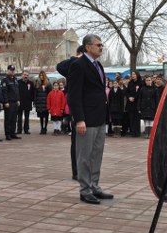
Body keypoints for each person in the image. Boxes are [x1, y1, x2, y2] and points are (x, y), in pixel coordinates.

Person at [67, 34, 114, 204]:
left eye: (102, 45)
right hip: (86, 119)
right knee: (84, 156)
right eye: (98, 45)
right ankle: (85, 190)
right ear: (87, 47)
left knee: (96, 155)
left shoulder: (98, 64)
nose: (101, 47)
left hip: (100, 117)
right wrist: (79, 119)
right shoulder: (78, 65)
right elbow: (74, 95)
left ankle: (94, 186)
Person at [56, 45, 84, 180]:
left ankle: (86, 170)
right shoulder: (73, 66)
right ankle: (76, 171)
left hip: (90, 108)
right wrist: (75, 58)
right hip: (77, 109)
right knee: (77, 141)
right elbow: (59, 66)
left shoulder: (92, 67)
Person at [2, 65, 21, 140]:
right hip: (9, 102)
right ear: (8, 70)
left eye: (13, 70)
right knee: (8, 119)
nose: (12, 71)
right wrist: (6, 101)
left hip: (15, 102)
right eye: (11, 70)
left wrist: (18, 100)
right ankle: (8, 134)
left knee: (14, 119)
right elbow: (4, 92)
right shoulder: (5, 80)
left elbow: (17, 91)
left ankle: (13, 133)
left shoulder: (15, 80)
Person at [17, 70, 34, 135]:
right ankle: (19, 129)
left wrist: (32, 100)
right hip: (20, 102)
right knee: (19, 117)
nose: (26, 76)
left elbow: (32, 92)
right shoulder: (18, 82)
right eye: (24, 75)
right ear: (22, 75)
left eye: (27, 75)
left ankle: (26, 129)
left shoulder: (31, 83)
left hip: (28, 102)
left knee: (27, 117)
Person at [125, 71, 142, 137]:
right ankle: (133, 132)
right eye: (132, 74)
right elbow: (127, 91)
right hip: (130, 102)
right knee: (131, 118)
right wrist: (129, 97)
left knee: (137, 118)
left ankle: (137, 132)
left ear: (137, 75)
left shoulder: (140, 82)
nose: (133, 75)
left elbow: (140, 92)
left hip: (137, 102)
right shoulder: (130, 83)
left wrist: (134, 97)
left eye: (134, 74)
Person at [34, 70, 52, 135]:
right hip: (39, 102)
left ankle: (45, 128)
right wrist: (35, 101)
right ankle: (42, 128)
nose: (41, 76)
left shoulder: (48, 83)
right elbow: (35, 93)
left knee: (46, 116)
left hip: (46, 102)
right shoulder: (37, 83)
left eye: (42, 75)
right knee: (41, 116)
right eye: (40, 75)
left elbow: (50, 93)